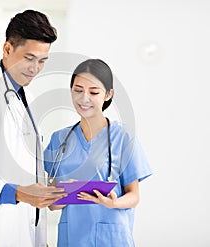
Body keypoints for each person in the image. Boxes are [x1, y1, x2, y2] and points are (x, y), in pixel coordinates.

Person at [0, 10, 66, 247]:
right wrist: (19, 193)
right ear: (7, 49)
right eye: (29, 58)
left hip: (25, 233)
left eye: (42, 61)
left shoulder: (24, 97)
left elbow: (21, 167)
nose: (35, 68)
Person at [44, 59, 153, 246]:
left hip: (112, 238)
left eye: (93, 92)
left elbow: (134, 196)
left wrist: (113, 203)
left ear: (108, 95)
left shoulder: (124, 138)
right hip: (72, 238)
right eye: (78, 90)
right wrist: (66, 194)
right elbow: (52, 204)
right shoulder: (59, 139)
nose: (84, 98)